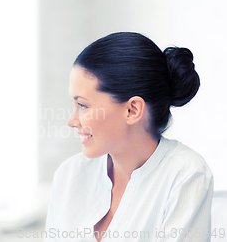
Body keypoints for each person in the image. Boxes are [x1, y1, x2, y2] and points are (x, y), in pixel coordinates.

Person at [44, 32, 213, 242]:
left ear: (132, 110)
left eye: (83, 105)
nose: (72, 120)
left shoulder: (186, 175)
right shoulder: (69, 175)